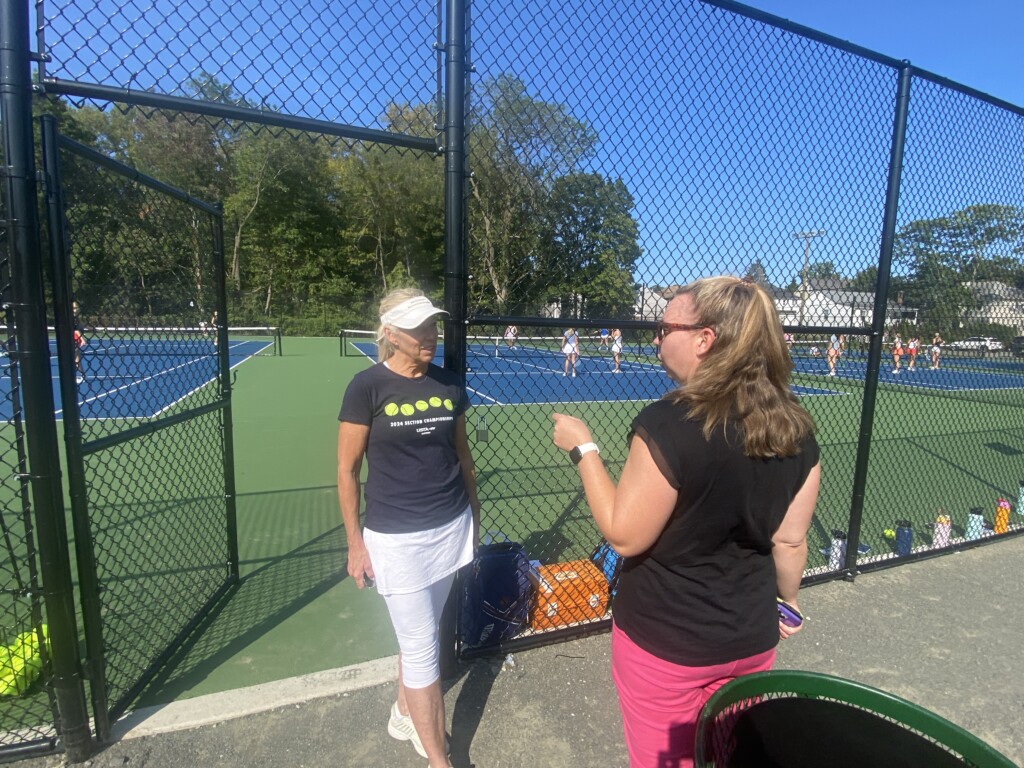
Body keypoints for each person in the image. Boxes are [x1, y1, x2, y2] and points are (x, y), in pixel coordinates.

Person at [550, 276, 820, 768]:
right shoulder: (795, 427)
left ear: (704, 339)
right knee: (729, 754)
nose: (656, 338)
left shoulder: (667, 424)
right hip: (752, 636)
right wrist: (790, 603)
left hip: (667, 645)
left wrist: (583, 448)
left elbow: (625, 534)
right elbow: (790, 540)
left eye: (665, 327)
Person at [337, 288, 480, 768]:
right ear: (390, 334)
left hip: (449, 528)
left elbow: (462, 456)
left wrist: (473, 520)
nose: (430, 336)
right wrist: (355, 544)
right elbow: (346, 469)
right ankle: (439, 759)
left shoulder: (449, 384)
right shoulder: (366, 387)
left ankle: (404, 713)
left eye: (432, 325)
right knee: (422, 651)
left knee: (421, 635)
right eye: (418, 328)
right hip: (395, 539)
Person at [72, 300, 85, 385]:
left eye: (76, 308)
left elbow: (78, 329)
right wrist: (82, 339)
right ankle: (81, 375)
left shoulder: (76, 318)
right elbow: (75, 330)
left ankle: (81, 375)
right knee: (76, 358)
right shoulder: (72, 318)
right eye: (73, 308)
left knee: (77, 358)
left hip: (76, 338)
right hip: (74, 338)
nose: (75, 310)